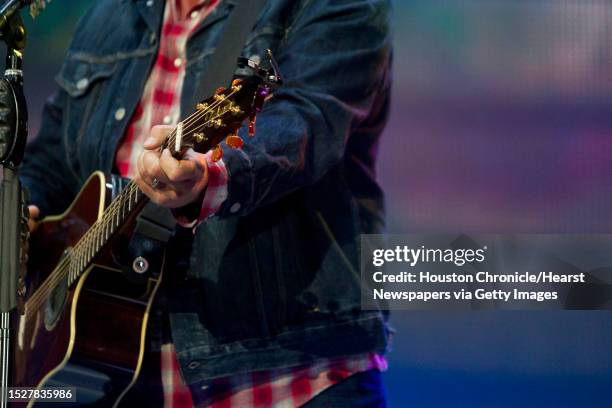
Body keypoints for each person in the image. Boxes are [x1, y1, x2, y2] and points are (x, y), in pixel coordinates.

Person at [21, 0, 392, 406]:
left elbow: (306, 121)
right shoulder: (113, 14)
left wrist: (210, 174)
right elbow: (54, 157)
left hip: (289, 374)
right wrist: (22, 211)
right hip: (118, 373)